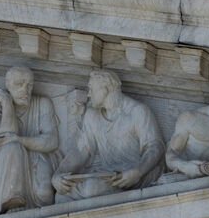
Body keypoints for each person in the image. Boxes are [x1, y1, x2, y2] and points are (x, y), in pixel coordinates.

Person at [52, 70, 164, 200]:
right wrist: (59, 174)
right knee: (61, 196)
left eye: (91, 89)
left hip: (132, 176)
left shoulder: (137, 111)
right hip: (107, 176)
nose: (88, 94)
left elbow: (155, 146)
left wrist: (138, 172)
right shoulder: (92, 116)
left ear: (105, 89)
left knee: (91, 188)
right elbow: (81, 151)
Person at [0, 64, 59, 215]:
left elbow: (52, 141)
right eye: (19, 84)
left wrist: (20, 139)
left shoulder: (42, 104)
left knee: (45, 194)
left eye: (29, 85)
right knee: (12, 148)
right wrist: (7, 104)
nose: (25, 90)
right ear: (7, 86)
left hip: (34, 158)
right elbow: (2, 140)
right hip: (1, 164)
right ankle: (12, 200)